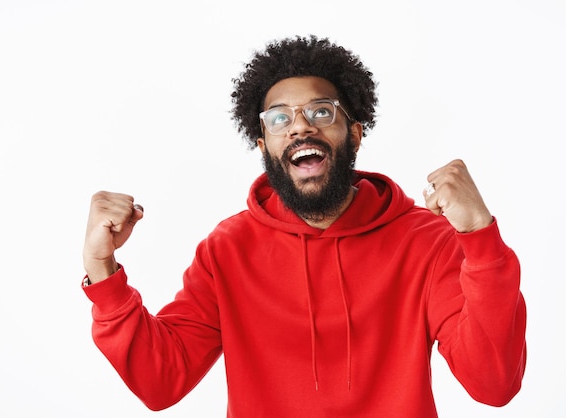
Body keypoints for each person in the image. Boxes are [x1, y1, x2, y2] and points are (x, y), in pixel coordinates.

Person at [81, 35, 527, 417]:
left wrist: (480, 239)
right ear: (262, 144)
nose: (299, 127)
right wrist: (102, 269)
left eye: (321, 112)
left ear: (354, 134)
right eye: (279, 118)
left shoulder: (426, 241)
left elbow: (494, 384)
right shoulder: (227, 249)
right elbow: (162, 381)